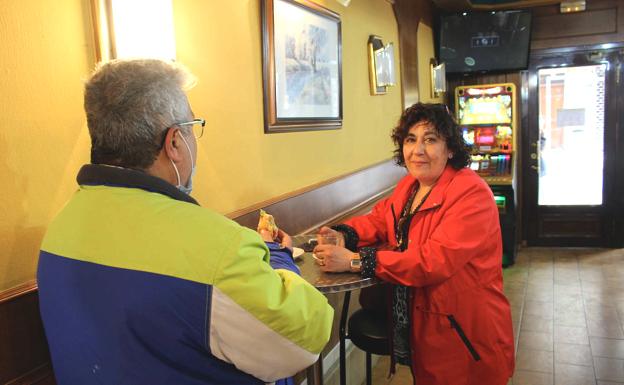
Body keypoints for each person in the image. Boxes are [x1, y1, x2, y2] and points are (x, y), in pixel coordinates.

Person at [37, 59, 333, 385]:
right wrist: (278, 255)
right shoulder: (218, 247)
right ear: (175, 142)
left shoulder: (59, 230)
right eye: (193, 128)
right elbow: (305, 339)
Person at [313, 103, 515, 384]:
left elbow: (431, 262)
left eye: (430, 139)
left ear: (451, 148)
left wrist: (354, 261)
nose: (417, 150)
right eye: (411, 139)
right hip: (427, 324)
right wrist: (344, 235)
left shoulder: (471, 193)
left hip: (464, 332)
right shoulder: (410, 186)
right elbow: (381, 219)